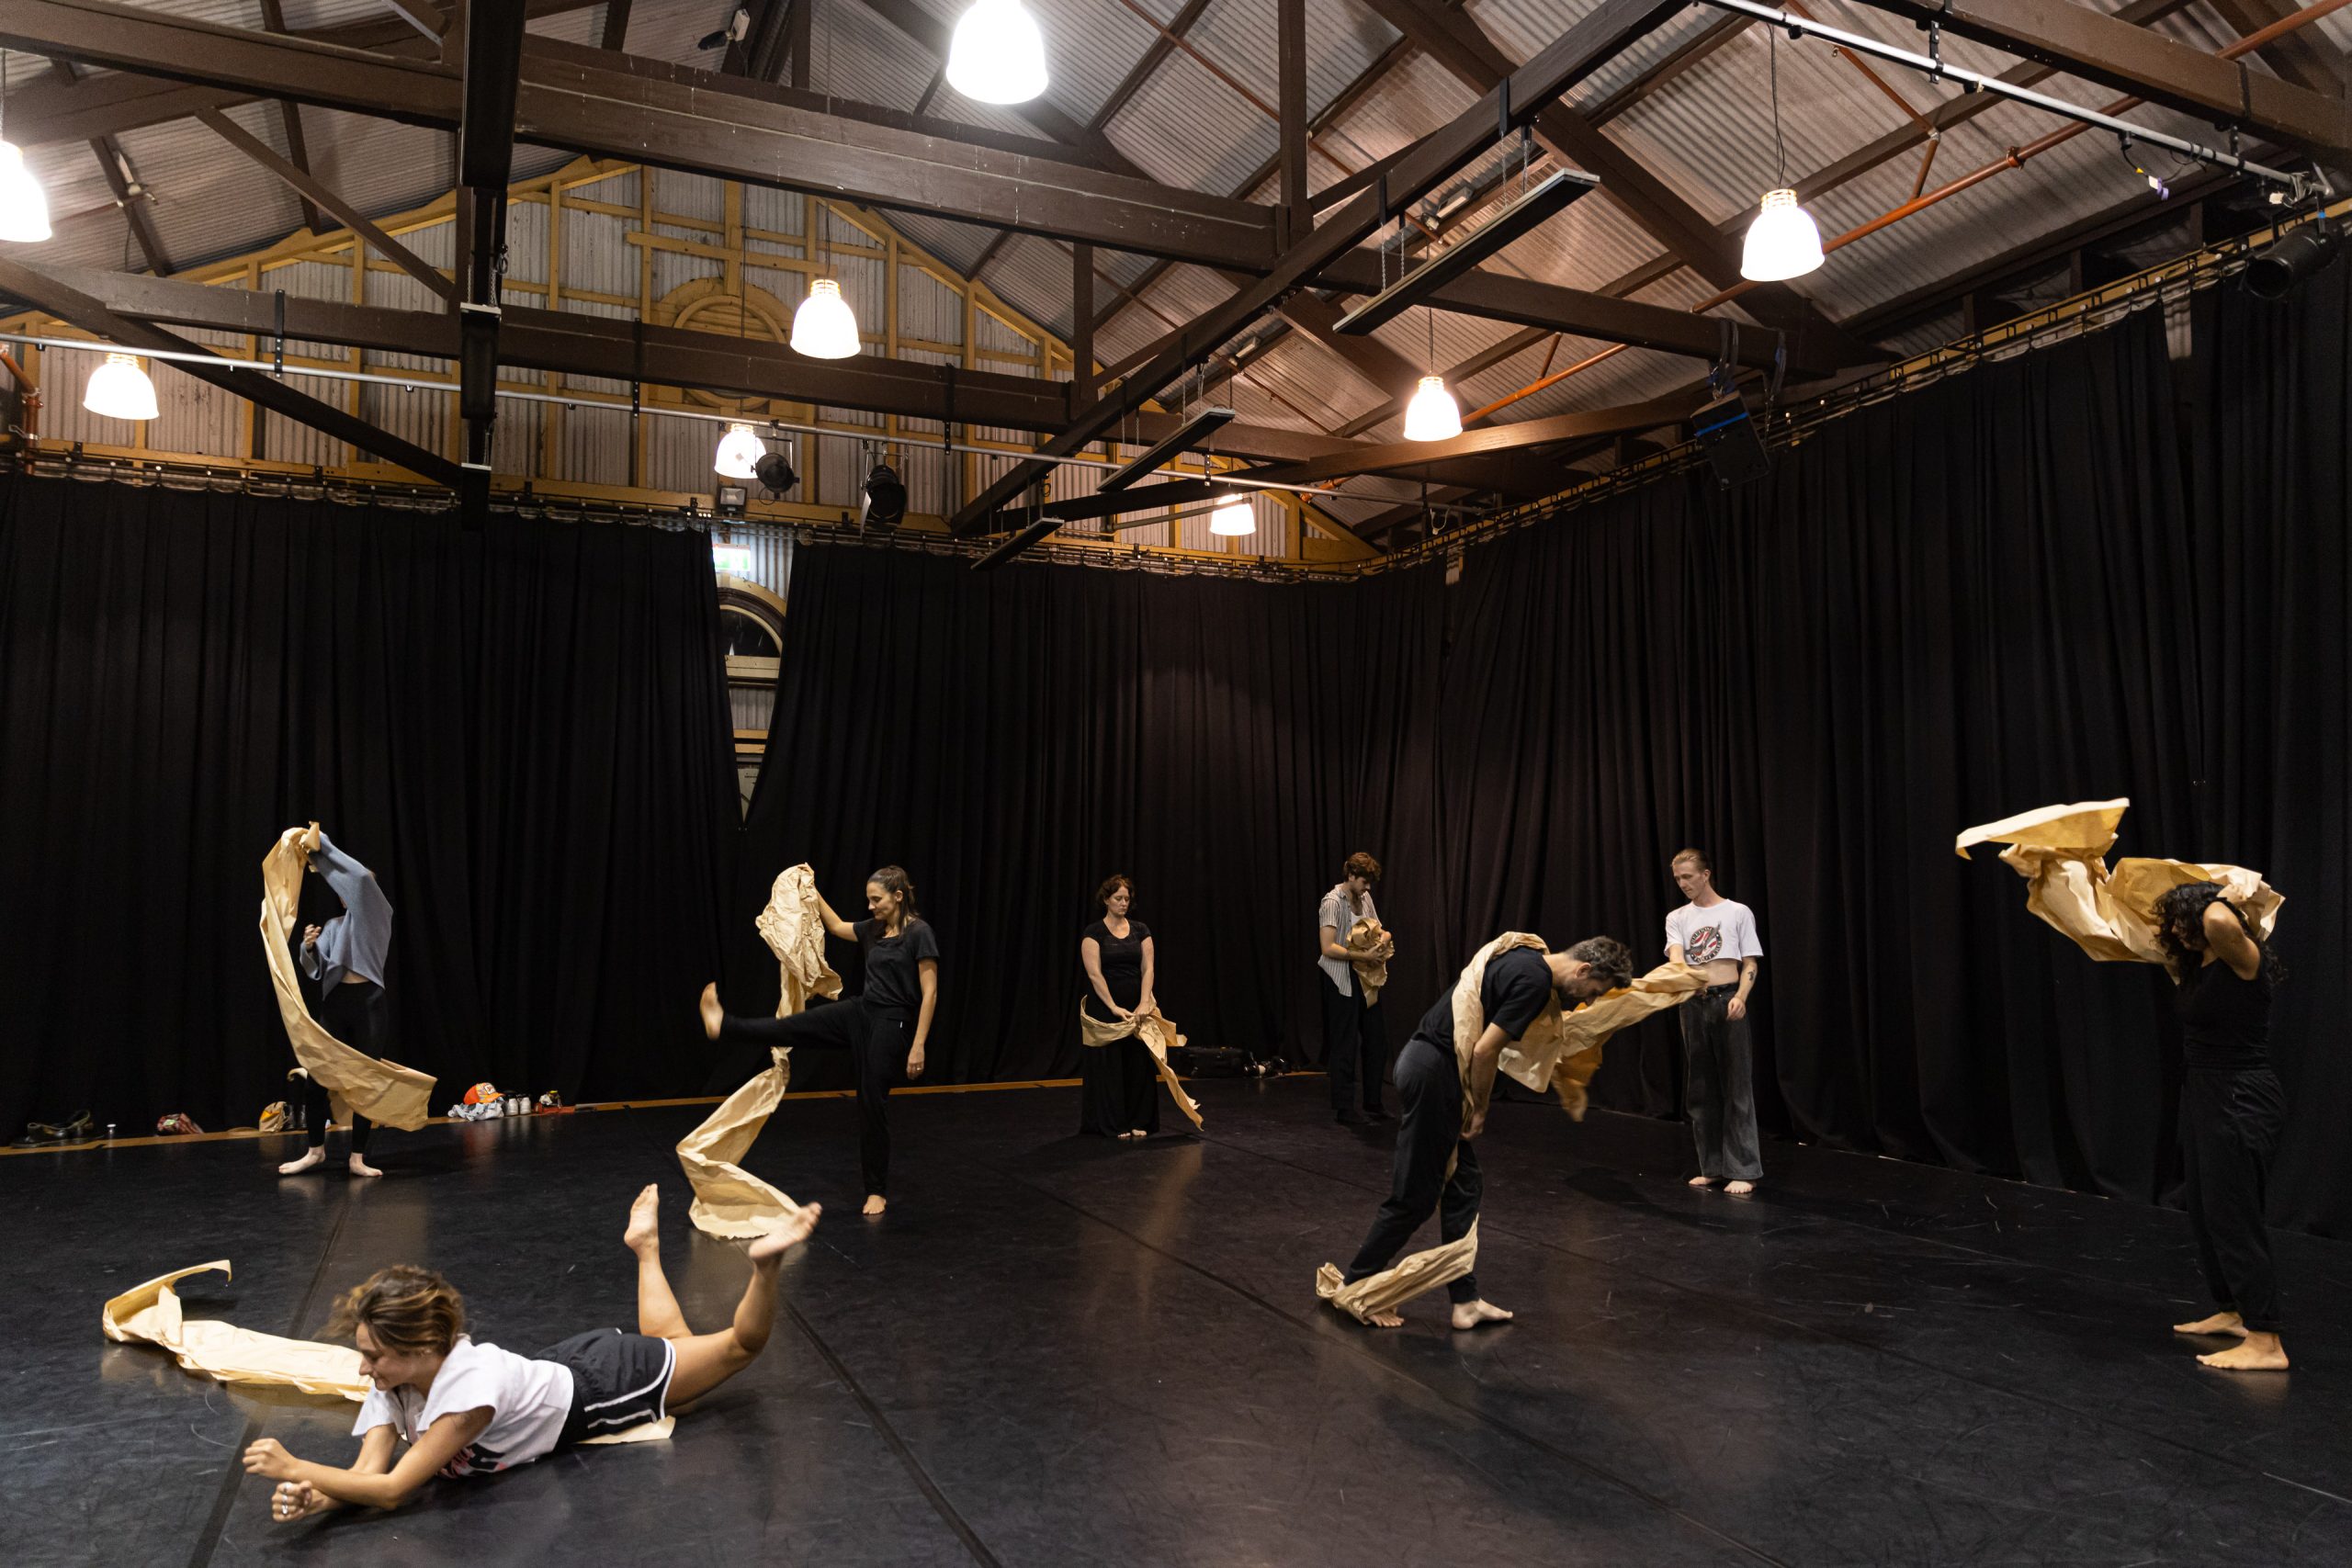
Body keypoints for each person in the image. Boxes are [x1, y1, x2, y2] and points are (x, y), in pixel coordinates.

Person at [243, 1185, 820, 1520]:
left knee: (738, 1348)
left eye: (374, 1355)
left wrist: (297, 1467)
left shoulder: (464, 1399)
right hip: (566, 1363)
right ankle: (645, 1249)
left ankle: (764, 1266)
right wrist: (318, 1497)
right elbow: (368, 1472)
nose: (363, 1367)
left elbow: (395, 1490)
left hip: (606, 1386)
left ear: (421, 1347)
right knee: (678, 1366)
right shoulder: (396, 1381)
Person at [1342, 934, 1634, 1329]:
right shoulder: (1533, 982)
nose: (1590, 1000)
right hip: (1434, 1074)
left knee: (1463, 1186)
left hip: (1428, 1066)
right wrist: (1479, 1108)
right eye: (1594, 991)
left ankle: (1465, 1301)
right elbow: (1483, 1050)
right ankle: (1357, 1287)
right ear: (1582, 969)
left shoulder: (1526, 955)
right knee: (1416, 1195)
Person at [699, 866, 937, 1216]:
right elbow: (838, 926)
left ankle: (876, 1191)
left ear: (898, 896)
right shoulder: (873, 929)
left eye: (877, 900)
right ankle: (725, 1024)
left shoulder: (920, 933)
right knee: (795, 1025)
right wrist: (811, 888)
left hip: (892, 1024)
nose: (871, 907)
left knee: (872, 1105)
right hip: (861, 1011)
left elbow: (929, 993)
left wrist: (918, 1045)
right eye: (869, 900)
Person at [2156, 882, 2290, 1371]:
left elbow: (2218, 920)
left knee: (2234, 1213)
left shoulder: (2243, 959)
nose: (2172, 928)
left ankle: (2267, 1340)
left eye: (2178, 917)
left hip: (2241, 1095)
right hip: (2203, 1092)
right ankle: (2233, 1311)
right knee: (2206, 1209)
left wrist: (2223, 893)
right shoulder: (2196, 968)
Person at [280, 827, 393, 1179]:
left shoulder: (378, 915)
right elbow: (318, 971)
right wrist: (309, 948)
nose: (349, 893)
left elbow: (359, 878)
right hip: (337, 1004)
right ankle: (315, 1151)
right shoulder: (333, 925)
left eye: (354, 891)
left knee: (365, 1082)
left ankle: (357, 1157)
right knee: (318, 1078)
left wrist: (320, 848)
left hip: (368, 1004)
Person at [1665, 849, 1764, 1196]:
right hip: (1693, 1004)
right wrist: (1676, 972)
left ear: (1706, 874)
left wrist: (1741, 996)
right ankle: (1713, 1166)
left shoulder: (1736, 912)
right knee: (1702, 1089)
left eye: (1688, 876)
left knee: (1737, 1085)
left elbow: (1750, 961)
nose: (1683, 884)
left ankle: (1744, 1169)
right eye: (1678, 878)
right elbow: (1677, 956)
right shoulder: (1677, 916)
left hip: (1727, 1000)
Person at [1080, 874, 1159, 1140]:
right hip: (1106, 1008)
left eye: (1127, 899)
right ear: (1106, 899)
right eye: (1118, 898)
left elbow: (1147, 967)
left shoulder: (1140, 930)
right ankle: (1114, 1123)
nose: (1124, 903)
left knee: (1137, 1064)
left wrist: (1144, 1001)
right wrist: (1113, 1007)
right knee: (1110, 1065)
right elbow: (1095, 975)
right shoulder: (1094, 933)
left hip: (1137, 1007)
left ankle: (1139, 1119)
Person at [1318, 852, 1395, 1126]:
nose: (1368, 887)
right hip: (1341, 976)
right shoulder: (1332, 902)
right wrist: (1363, 956)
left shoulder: (1364, 898)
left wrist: (1384, 939)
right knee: (1345, 1042)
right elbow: (1328, 947)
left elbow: (1378, 928)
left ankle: (1373, 1102)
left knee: (1377, 1040)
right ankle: (1344, 1107)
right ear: (1350, 876)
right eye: (1364, 881)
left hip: (1365, 976)